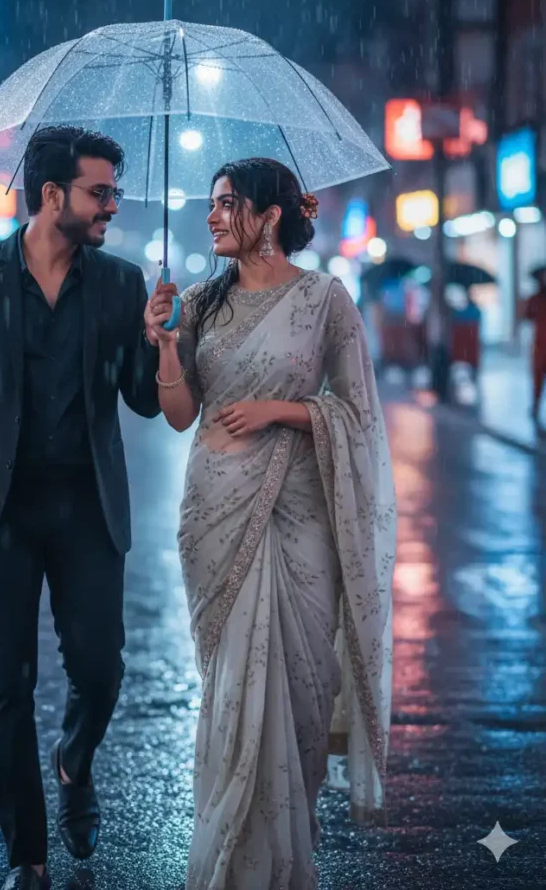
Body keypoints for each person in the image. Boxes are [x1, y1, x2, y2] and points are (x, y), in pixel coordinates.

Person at [0, 125, 164, 890]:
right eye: (100, 192)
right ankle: (27, 854)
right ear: (52, 195)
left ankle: (74, 761)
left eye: (113, 191)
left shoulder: (119, 284)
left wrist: (157, 342)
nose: (112, 204)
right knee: (4, 684)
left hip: (87, 504)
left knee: (100, 667)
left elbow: (145, 405)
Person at [146, 158, 397, 890]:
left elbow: (357, 415)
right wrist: (164, 345)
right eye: (212, 204)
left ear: (271, 215)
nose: (212, 216)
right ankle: (231, 861)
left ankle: (285, 858)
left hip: (299, 513)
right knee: (232, 690)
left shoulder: (325, 300)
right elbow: (179, 414)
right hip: (214, 510)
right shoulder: (197, 301)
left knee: (299, 683)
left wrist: (281, 410)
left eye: (227, 204)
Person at [523, 265, 546, 426]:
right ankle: (536, 408)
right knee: (537, 380)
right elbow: (526, 315)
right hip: (540, 346)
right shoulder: (535, 298)